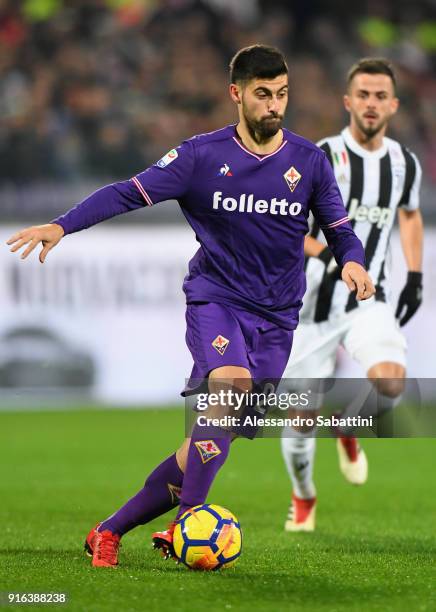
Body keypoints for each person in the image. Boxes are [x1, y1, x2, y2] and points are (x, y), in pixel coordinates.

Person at [7, 45, 374, 568]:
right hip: (217, 299)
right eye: (264, 94)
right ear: (237, 94)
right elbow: (126, 192)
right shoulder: (201, 156)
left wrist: (353, 263)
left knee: (210, 441)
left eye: (283, 94)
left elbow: (338, 228)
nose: (275, 105)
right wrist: (61, 225)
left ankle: (108, 530)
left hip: (277, 317)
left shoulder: (309, 162)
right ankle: (191, 520)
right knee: (230, 388)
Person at [280, 58, 423, 533]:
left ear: (393, 105)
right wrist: (332, 260)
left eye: (381, 96)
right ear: (348, 101)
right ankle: (304, 497)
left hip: (368, 300)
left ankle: (348, 424)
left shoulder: (405, 163)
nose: (371, 103)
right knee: (299, 418)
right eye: (363, 94)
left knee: (390, 383)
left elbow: (409, 215)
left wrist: (416, 276)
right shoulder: (319, 157)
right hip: (311, 308)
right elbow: (290, 228)